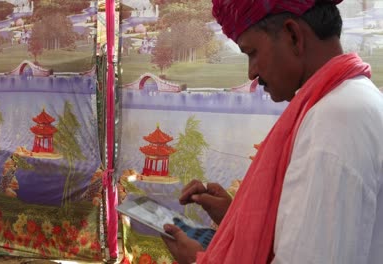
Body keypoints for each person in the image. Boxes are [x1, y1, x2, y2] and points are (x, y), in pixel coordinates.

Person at [161, 0, 383, 263]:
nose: (252, 72)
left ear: (293, 36)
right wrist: (237, 219)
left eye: (251, 52)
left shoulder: (335, 119)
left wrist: (201, 260)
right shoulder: (353, 99)